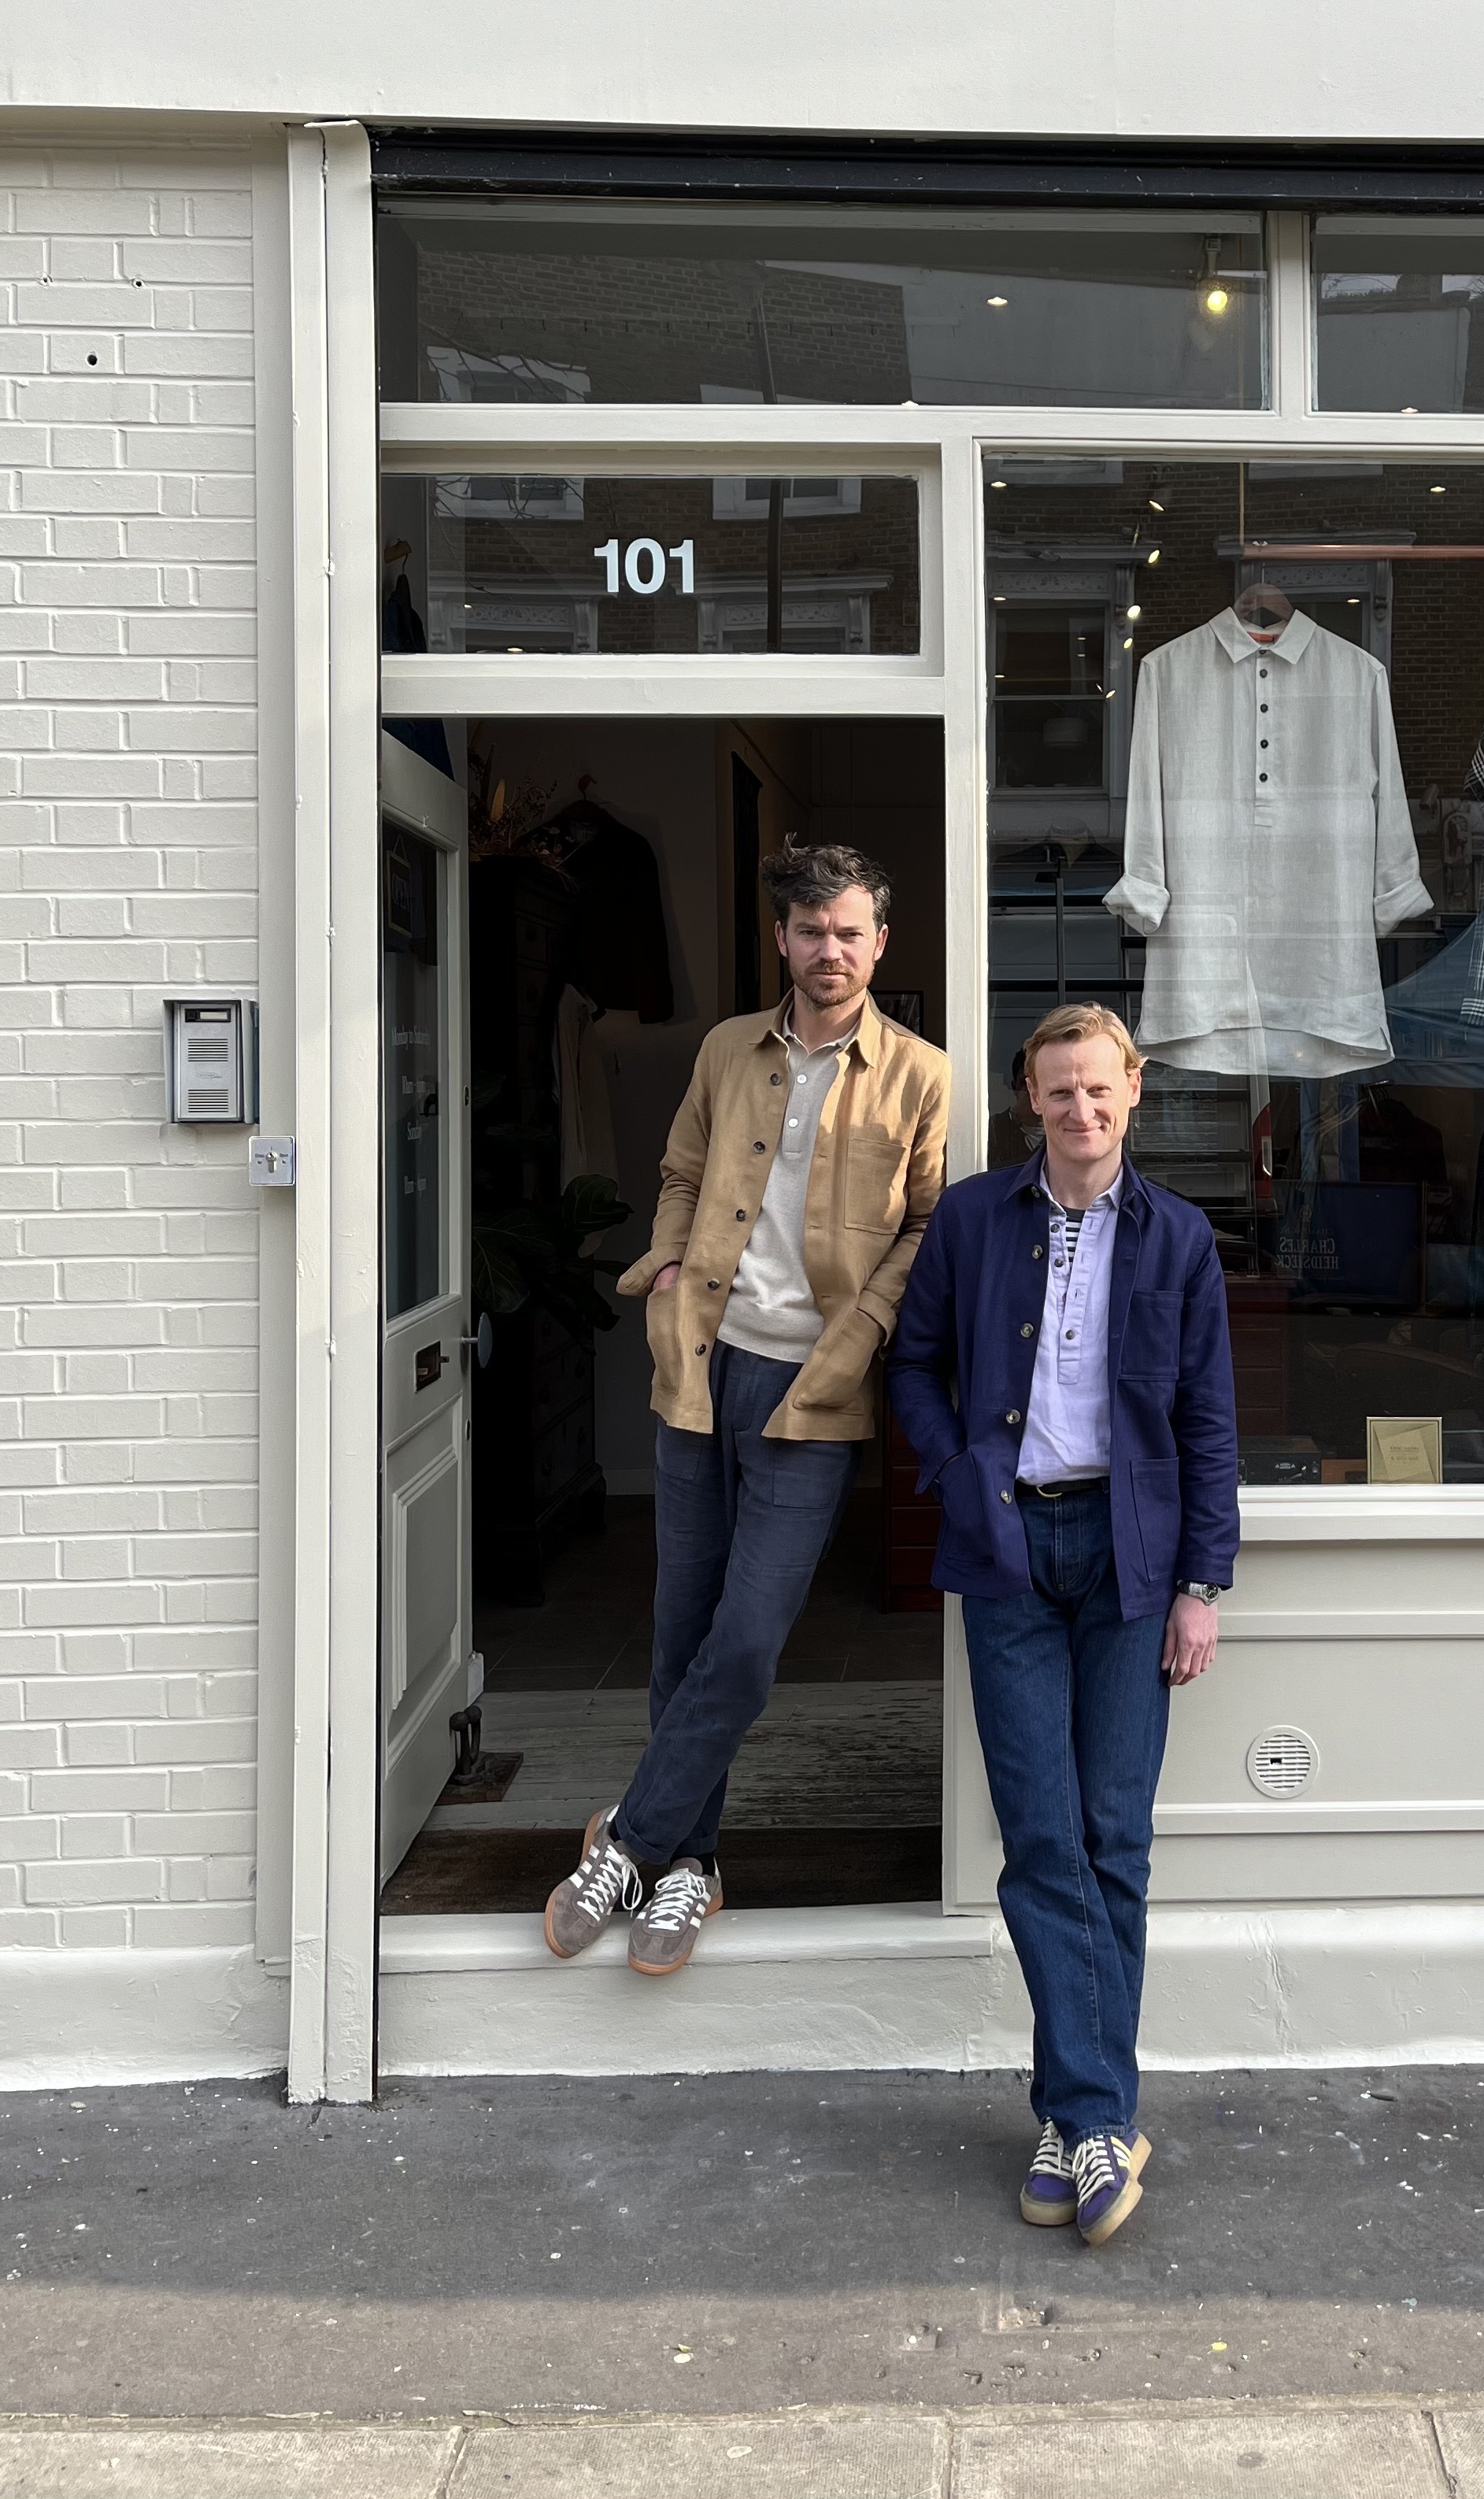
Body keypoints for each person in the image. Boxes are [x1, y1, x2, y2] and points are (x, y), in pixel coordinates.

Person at [543, 839, 948, 1975]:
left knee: (750, 1638)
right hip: (701, 1365)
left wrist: (861, 1332)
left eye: (850, 930)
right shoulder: (728, 1049)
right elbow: (679, 1170)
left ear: (880, 941)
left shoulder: (923, 1073)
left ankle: (628, 1837)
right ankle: (689, 1867)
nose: (831, 950)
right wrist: (668, 1269)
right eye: (811, 930)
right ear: (783, 938)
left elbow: (929, 1227)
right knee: (683, 1631)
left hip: (814, 1386)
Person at [890, 1003, 1238, 2247]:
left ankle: (1074, 2114)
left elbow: (1205, 1423)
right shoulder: (977, 1221)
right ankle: (1096, 2117)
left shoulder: (1182, 1239)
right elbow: (913, 1364)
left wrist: (1204, 1583)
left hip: (1132, 1562)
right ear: (1028, 1101)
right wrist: (952, 1471)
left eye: (1098, 1091)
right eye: (1056, 1094)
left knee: (1112, 1842)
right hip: (1008, 1552)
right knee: (1042, 1837)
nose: (1079, 1112)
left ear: (1133, 1091)